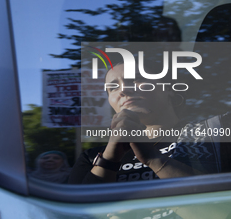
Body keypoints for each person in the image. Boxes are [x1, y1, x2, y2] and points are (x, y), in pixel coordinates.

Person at [69, 63, 231, 184]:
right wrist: (108, 160)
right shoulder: (92, 158)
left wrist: (153, 158)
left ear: (169, 88)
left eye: (136, 79)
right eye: (113, 87)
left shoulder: (219, 130)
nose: (123, 90)